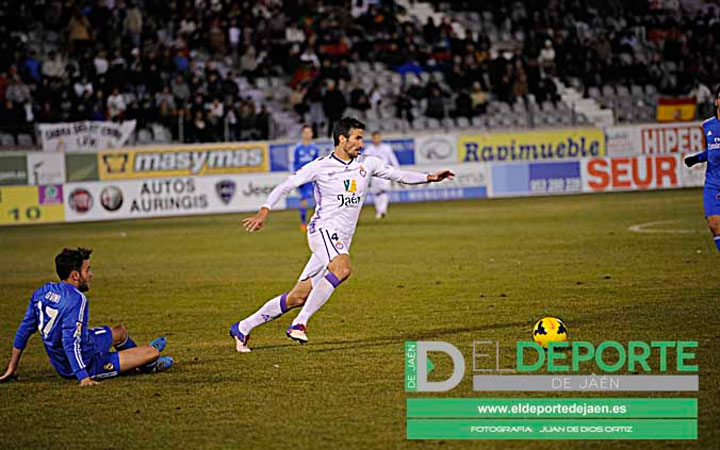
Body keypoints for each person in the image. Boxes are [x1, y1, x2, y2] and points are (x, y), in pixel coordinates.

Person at [229, 117, 454, 351]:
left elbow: (398, 174)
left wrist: (429, 177)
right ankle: (299, 324)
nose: (361, 144)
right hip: (322, 231)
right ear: (342, 139)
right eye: (357, 138)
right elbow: (286, 186)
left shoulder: (369, 163)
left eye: (362, 139)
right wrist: (264, 211)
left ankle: (243, 327)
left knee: (298, 297)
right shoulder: (320, 166)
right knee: (342, 269)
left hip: (339, 239)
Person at [0, 248, 173, 386]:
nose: (91, 275)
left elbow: (24, 330)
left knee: (119, 331)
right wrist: (84, 377)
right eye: (87, 270)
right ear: (75, 275)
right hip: (84, 362)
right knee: (152, 351)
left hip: (86, 343)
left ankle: (140, 363)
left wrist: (12, 366)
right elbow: (70, 342)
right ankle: (148, 366)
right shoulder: (76, 299)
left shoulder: (43, 292)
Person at [684, 86, 720, 253]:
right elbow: (712, 151)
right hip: (713, 183)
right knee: (714, 226)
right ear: (717, 101)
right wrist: (696, 158)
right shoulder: (708, 126)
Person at [363, 131, 400, 219]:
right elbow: (364, 160)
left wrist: (396, 169)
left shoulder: (386, 148)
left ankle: (382, 210)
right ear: (372, 138)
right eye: (375, 137)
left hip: (384, 172)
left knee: (384, 191)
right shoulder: (369, 149)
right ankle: (379, 211)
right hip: (374, 174)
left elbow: (392, 159)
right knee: (376, 193)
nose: (377, 139)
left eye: (378, 137)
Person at [293, 125, 321, 232]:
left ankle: (317, 221)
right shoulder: (298, 148)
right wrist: (296, 176)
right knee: (303, 199)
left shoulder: (315, 148)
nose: (307, 134)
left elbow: (317, 163)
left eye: (309, 132)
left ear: (312, 134)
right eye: (305, 132)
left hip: (312, 177)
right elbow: (295, 163)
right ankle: (303, 222)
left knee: (317, 199)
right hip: (302, 177)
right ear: (302, 134)